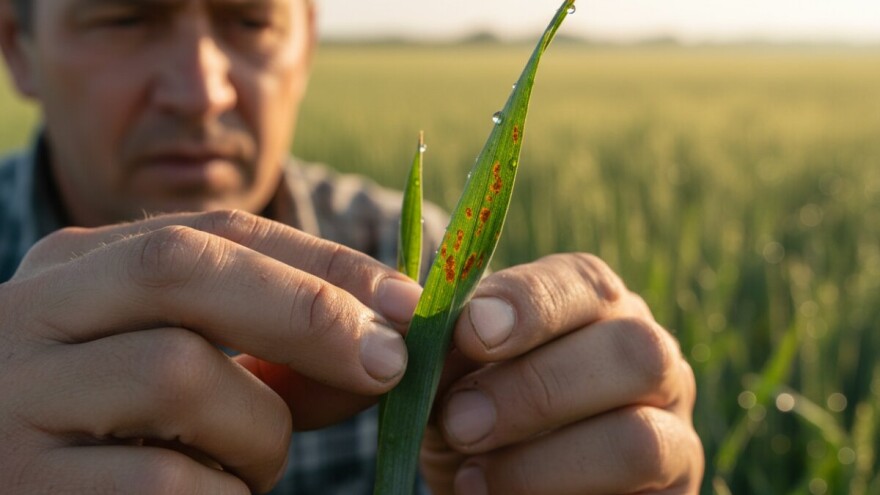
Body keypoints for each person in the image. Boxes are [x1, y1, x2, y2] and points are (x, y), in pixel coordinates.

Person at [0, 0, 703, 493]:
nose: (201, 90)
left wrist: (591, 453)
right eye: (126, 17)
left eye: (250, 19)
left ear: (305, 43)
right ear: (15, 46)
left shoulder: (418, 270)